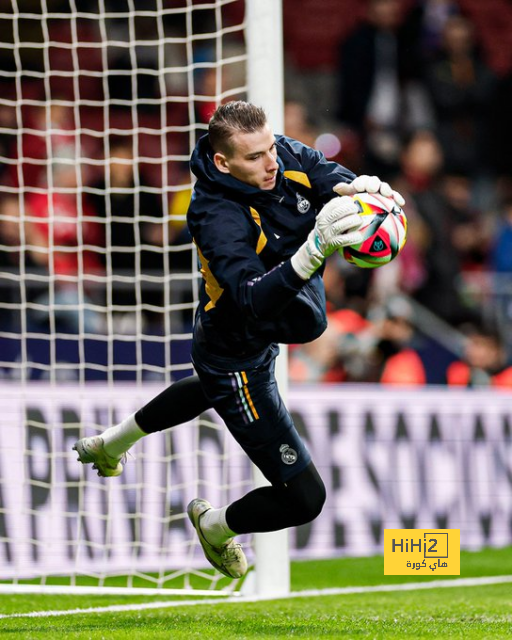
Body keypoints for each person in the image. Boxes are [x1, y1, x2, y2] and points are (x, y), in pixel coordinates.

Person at [73, 101, 404, 579]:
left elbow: (320, 169)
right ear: (224, 162)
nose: (272, 163)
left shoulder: (275, 156)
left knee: (212, 386)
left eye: (271, 148)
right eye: (255, 157)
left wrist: (359, 189)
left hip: (266, 319)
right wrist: (314, 250)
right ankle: (215, 526)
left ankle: (110, 443)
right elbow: (252, 299)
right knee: (305, 498)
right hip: (236, 345)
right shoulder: (212, 214)